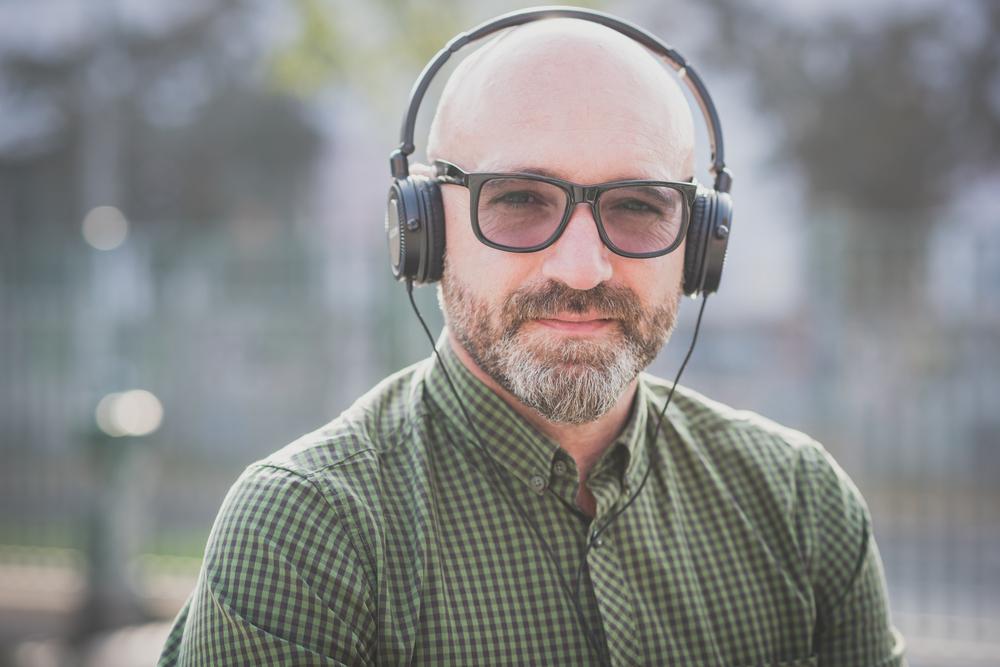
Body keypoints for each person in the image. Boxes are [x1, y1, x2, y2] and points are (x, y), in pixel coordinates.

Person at [159, 10, 906, 667]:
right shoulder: (306, 530)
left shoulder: (806, 507)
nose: (582, 266)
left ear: (701, 243)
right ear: (424, 225)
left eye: (639, 206)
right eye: (519, 199)